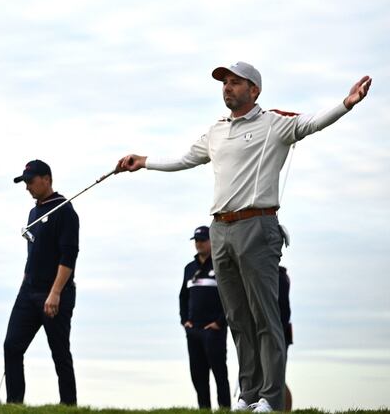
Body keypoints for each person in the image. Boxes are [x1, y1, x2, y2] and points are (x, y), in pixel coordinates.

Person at [116, 62, 371, 412]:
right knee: (237, 317)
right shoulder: (217, 131)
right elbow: (184, 158)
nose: (227, 88)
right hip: (220, 229)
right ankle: (248, 395)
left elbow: (311, 122)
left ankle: (270, 396)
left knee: (265, 316)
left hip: (258, 226)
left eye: (236, 82)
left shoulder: (274, 124)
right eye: (225, 83)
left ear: (255, 90)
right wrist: (143, 161)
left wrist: (347, 102)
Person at [4, 160, 80, 405]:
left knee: (59, 353)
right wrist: (26, 280)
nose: (27, 187)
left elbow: (69, 255)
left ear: (46, 179)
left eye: (31, 181)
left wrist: (55, 292)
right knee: (12, 346)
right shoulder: (34, 212)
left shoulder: (65, 210)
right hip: (29, 292)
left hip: (55, 293)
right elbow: (34, 253)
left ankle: (69, 406)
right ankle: (14, 404)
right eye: (25, 182)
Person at [180, 225, 231, 409]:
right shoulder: (189, 268)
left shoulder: (220, 265)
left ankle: (225, 409)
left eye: (202, 240)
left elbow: (230, 297)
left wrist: (219, 323)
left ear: (211, 241)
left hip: (214, 331)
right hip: (193, 330)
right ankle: (204, 409)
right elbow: (183, 297)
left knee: (219, 374)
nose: (199, 244)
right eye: (196, 241)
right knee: (198, 375)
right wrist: (185, 321)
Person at [278, 265, 292, 410]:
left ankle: (286, 410)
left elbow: (284, 311)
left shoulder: (280, 277)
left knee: (278, 377)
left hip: (280, 334)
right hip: (274, 333)